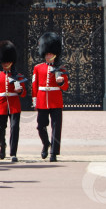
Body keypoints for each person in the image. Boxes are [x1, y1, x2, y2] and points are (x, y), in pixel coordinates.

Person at [32, 32, 68, 162]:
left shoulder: (61, 68)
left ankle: (53, 152)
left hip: (55, 100)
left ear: (55, 54)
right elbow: (34, 84)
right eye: (47, 54)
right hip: (42, 100)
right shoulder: (38, 68)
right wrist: (35, 100)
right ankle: (46, 143)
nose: (48, 56)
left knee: (56, 127)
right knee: (40, 126)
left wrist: (61, 82)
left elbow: (65, 87)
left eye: (50, 54)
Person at [0, 41, 27, 162]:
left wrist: (20, 90)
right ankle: (2, 145)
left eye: (8, 62)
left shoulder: (18, 76)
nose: (6, 64)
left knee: (14, 128)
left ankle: (13, 152)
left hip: (14, 105)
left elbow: (24, 93)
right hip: (1, 105)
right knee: (1, 129)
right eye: (4, 62)